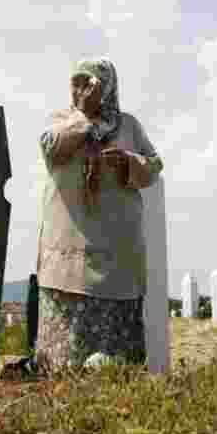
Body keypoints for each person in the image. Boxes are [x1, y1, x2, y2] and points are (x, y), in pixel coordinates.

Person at [35, 58, 163, 372]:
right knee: (67, 368)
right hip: (71, 251)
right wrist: (84, 116)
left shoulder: (128, 126)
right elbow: (51, 147)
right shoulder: (63, 119)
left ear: (108, 87)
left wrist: (129, 162)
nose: (80, 88)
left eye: (89, 83)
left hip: (118, 251)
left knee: (115, 366)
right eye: (76, 81)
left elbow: (154, 165)